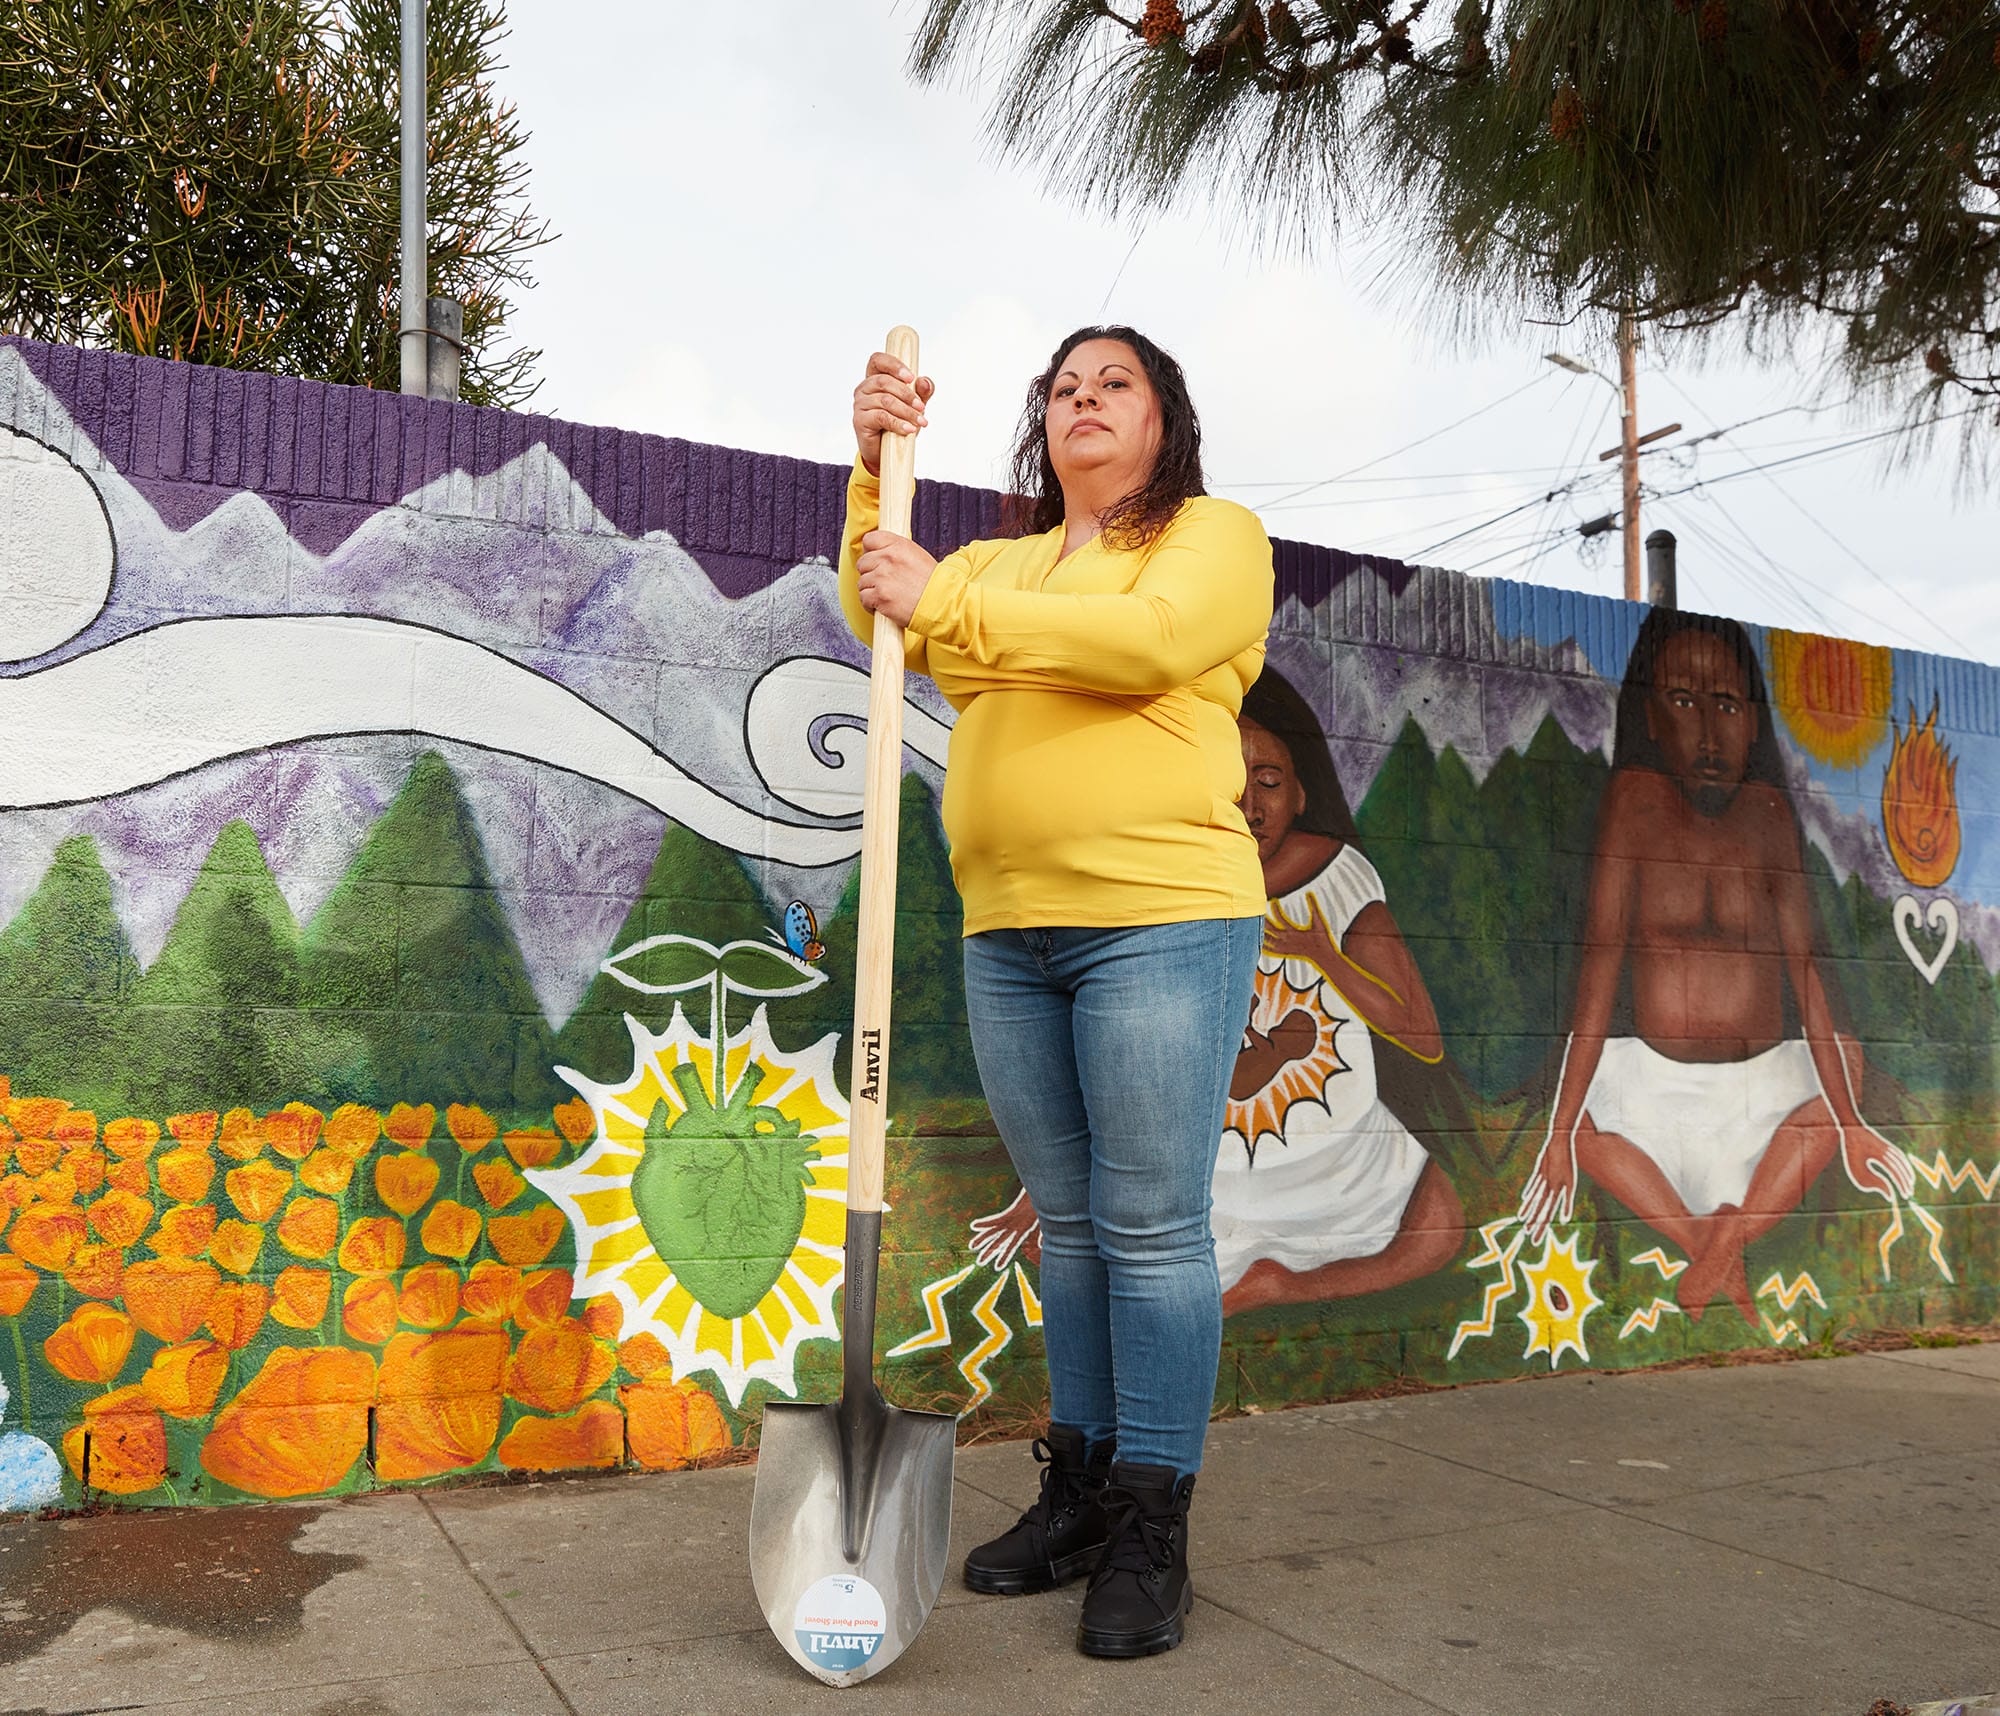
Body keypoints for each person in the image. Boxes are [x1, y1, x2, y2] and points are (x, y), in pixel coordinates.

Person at [842, 326, 1271, 1658]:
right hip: (1010, 932)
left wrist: (952, 609)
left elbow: (1143, 648)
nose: (1084, 401)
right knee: (1073, 1230)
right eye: (1064, 388)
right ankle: (1081, 1492)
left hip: (1160, 920)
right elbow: (887, 614)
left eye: (1115, 385)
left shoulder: (1211, 538)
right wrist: (874, 464)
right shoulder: (1008, 569)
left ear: (1162, 421)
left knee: (1147, 1227)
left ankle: (1154, 1520)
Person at [967, 666, 1467, 1310]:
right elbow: (1106, 1045)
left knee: (1442, 1225)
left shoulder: (1337, 874)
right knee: (1087, 1254)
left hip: (1346, 1155)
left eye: (1269, 782)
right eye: (1232, 781)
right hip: (1211, 1171)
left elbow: (1421, 1037)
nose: (1252, 807)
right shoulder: (1161, 879)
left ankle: (1277, 1284)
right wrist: (1034, 1191)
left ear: (1303, 792)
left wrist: (1326, 955)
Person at [1518, 608, 1916, 1320]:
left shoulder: (1767, 815)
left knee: (1844, 1075)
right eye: (1683, 701)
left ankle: (1717, 1241)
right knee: (1573, 1128)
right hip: (1653, 1092)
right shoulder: (1633, 804)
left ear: (1755, 722)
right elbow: (1599, 969)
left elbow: (1807, 971)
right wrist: (1553, 1139)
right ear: (1649, 715)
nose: (1709, 731)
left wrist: (1852, 1124)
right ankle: (1719, 1242)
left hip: (1761, 1095)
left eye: (1728, 705)